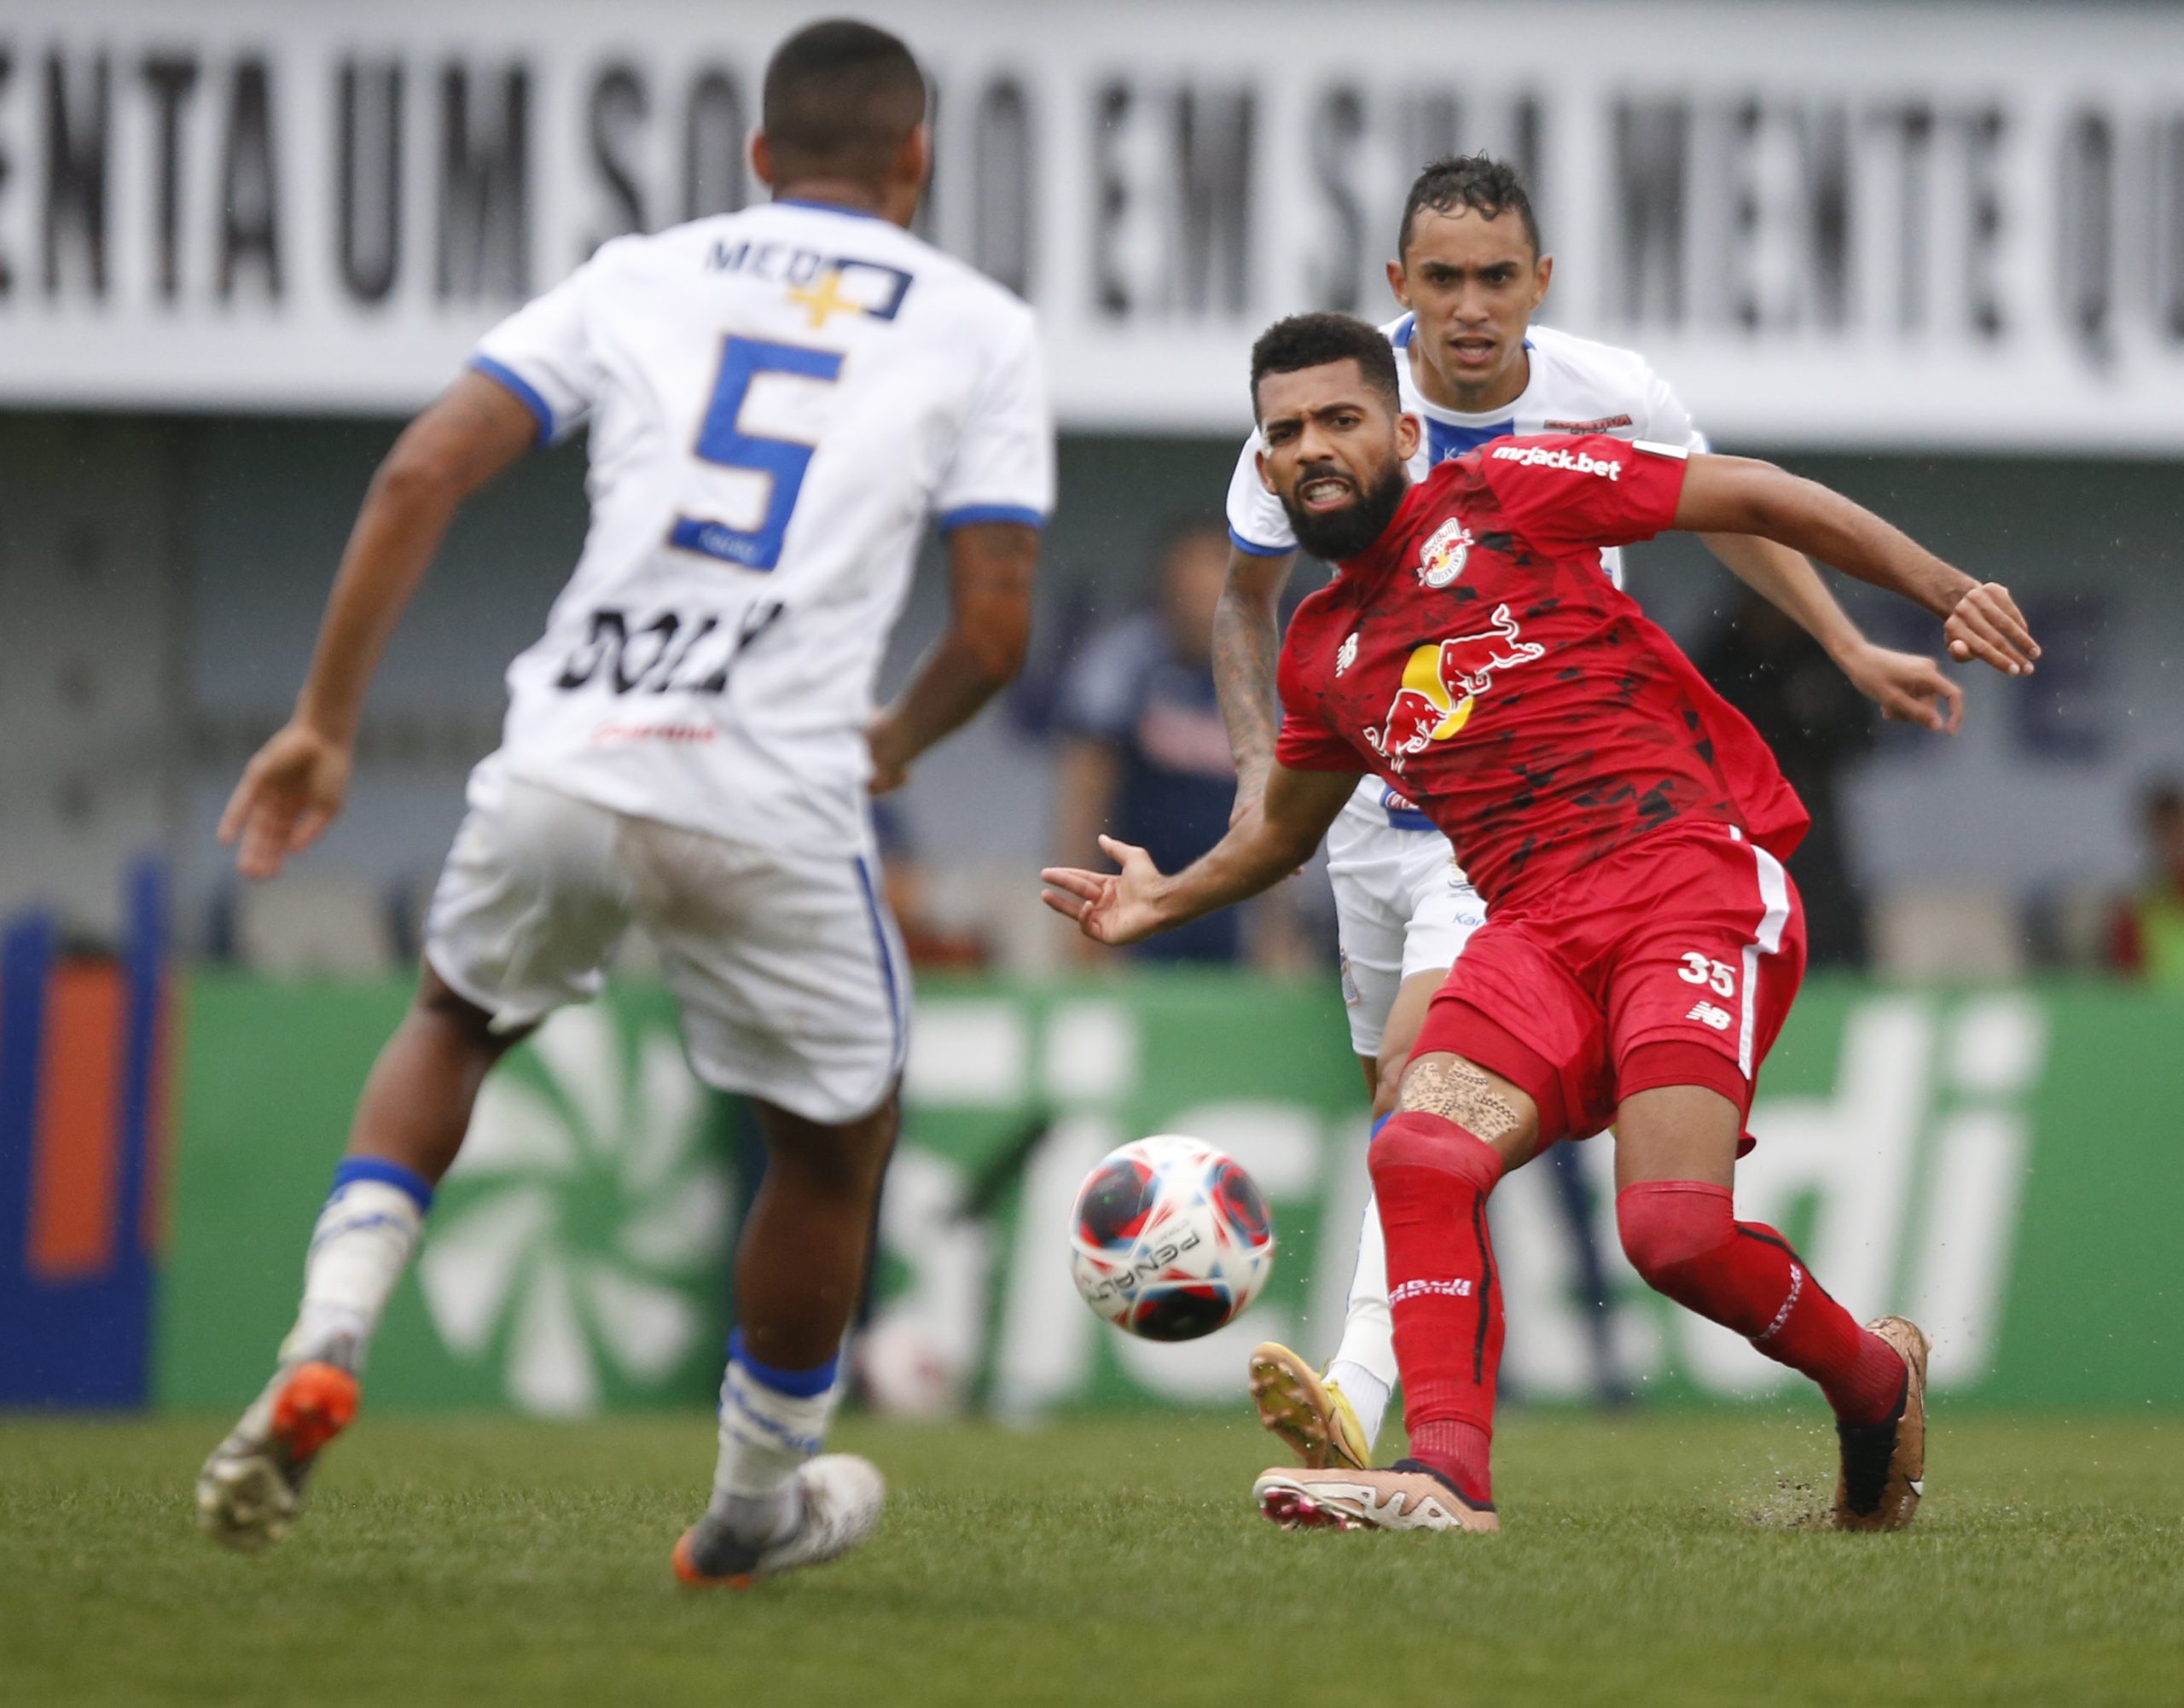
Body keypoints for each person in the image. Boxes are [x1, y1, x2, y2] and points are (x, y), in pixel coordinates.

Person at [195, 19, 1053, 1587]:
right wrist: (898, 740)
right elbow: (996, 630)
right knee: (832, 1146)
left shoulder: (640, 271)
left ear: (754, 161)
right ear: (916, 161)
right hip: (771, 791)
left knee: (455, 1020)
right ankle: (751, 1505)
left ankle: (329, 1329)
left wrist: (324, 721)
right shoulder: (981, 326)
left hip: (570, 749)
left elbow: (415, 476)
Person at [1043, 313, 2036, 1535]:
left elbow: (1762, 496)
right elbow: (1286, 833)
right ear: (1263, 462)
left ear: (1402, 430)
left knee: (1670, 1234)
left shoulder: (1510, 490)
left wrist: (1945, 589)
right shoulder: (1321, 653)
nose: (1313, 446)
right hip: (1532, 929)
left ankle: (1875, 1380)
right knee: (1416, 1146)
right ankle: (1447, 1475)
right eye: (1284, 430)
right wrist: (1166, 893)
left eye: (1340, 419)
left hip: (1688, 878)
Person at [1213, 155, 1963, 1470]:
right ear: (1399, 290)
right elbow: (1245, 602)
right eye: (1441, 279)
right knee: (1416, 1128)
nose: (1470, 305)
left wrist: (1848, 644)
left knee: (1421, 1103)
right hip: (1377, 811)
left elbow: (1739, 510)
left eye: (1497, 277)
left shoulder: (1595, 406)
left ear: (1540, 283)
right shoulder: (1323, 416)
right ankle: (1439, 1424)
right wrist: (1242, 788)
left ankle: (1370, 1405)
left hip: (1561, 829)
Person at [1055, 521, 1304, 966]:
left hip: (1232, 895)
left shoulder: (1272, 668)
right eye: (1186, 582)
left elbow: (1286, 808)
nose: (1198, 598)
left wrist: (1278, 928)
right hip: (1134, 888)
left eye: (1213, 581)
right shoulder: (1126, 659)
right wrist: (1081, 929)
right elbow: (1086, 789)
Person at [1695, 584, 1880, 967]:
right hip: (1735, 815)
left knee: (1823, 926)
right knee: (1739, 919)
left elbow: (1863, 735)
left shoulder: (1819, 654)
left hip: (1810, 805)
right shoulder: (1723, 657)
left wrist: (1808, 730)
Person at [2109, 781, 2184, 985]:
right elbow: (2128, 984)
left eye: (2177, 832)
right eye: (2162, 833)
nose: (2172, 844)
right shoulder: (2134, 908)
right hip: (2161, 1014)